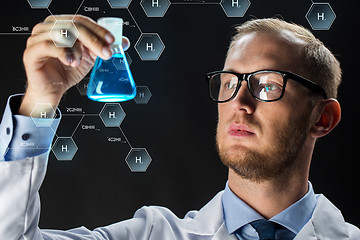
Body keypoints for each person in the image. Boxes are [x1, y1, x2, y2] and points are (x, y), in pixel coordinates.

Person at [0, 14, 358, 240]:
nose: (240, 104)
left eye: (267, 85)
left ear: (322, 119)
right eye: (229, 82)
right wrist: (41, 98)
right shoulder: (154, 234)